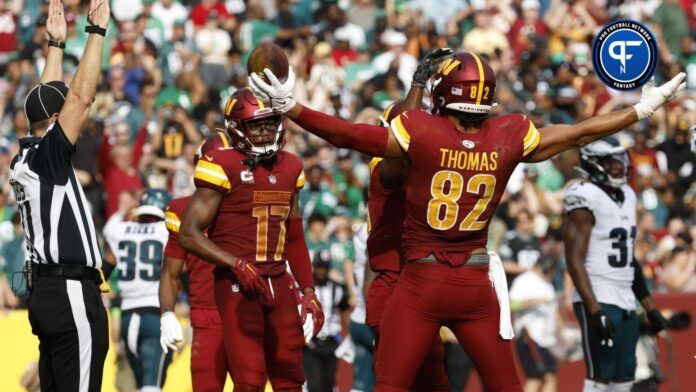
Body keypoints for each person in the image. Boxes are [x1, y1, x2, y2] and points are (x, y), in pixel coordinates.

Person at [249, 49, 686, 391]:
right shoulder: (509, 133)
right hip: (477, 284)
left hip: (421, 281)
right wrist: (637, 112)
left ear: (443, 95)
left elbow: (351, 134)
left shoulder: (420, 132)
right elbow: (579, 132)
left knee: (390, 384)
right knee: (508, 385)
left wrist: (294, 108)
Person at [177, 88, 324, 391]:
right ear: (236, 129)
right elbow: (188, 233)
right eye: (256, 125)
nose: (265, 130)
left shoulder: (291, 165)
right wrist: (235, 263)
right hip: (237, 283)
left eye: (270, 123)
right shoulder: (222, 164)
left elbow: (294, 238)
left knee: (290, 377)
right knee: (250, 378)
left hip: (279, 279)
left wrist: (308, 290)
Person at [8, 1, 111, 390]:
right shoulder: (48, 158)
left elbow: (45, 104)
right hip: (69, 290)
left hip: (46, 292)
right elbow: (79, 100)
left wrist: (55, 48)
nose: (75, 112)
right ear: (55, 122)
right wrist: (96, 34)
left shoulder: (26, 157)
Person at [564, 136, 671, 392]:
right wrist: (594, 310)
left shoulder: (628, 195)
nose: (619, 165)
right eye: (611, 161)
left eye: (620, 159)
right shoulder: (583, 195)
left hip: (625, 297)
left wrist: (650, 307)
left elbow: (628, 259)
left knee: (625, 376)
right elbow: (574, 259)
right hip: (598, 294)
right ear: (594, 163)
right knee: (600, 375)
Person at [366, 99, 449, 392]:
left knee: (434, 381)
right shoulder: (385, 169)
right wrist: (416, 88)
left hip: (419, 287)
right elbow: (400, 149)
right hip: (394, 287)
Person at [158, 131, 234, 391]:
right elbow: (171, 273)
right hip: (207, 316)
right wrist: (167, 313)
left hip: (247, 311)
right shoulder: (181, 209)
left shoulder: (249, 202)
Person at [103, 188, 173, 391]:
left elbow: (104, 269)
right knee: (152, 384)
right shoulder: (166, 231)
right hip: (154, 316)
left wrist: (122, 210)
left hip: (126, 318)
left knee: (141, 382)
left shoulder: (120, 230)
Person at [508, 255, 559, 392]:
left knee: (551, 376)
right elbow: (511, 305)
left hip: (547, 339)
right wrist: (535, 301)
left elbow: (553, 308)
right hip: (530, 336)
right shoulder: (524, 280)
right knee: (535, 378)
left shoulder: (547, 283)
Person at [303, 249, 351, 392]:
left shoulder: (337, 288)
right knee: (314, 386)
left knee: (328, 386)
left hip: (331, 342)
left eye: (325, 267)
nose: (322, 271)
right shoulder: (305, 289)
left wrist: (347, 336)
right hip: (311, 343)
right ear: (314, 266)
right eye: (319, 267)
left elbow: (345, 310)